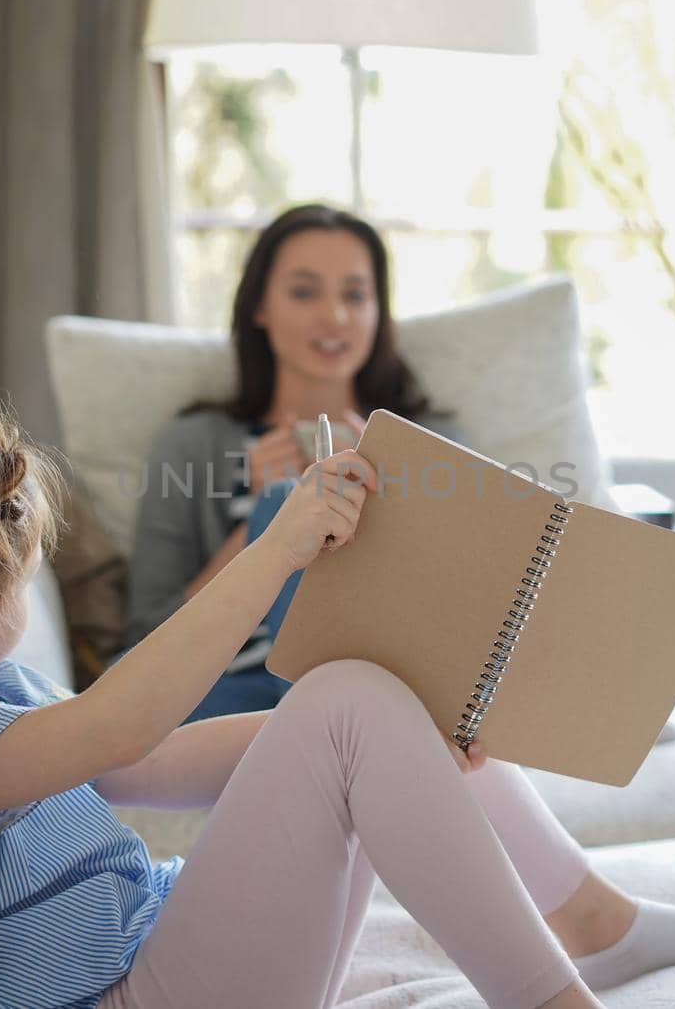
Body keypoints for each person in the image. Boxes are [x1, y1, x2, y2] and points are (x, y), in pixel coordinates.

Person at [0, 361, 675, 1009]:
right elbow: (116, 727)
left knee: (369, 693)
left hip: (166, 949)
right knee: (348, 700)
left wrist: (408, 750)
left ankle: (587, 916)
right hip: (125, 991)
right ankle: (567, 970)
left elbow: (148, 763)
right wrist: (276, 547)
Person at [126, 204, 457, 722]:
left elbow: (459, 615)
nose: (335, 317)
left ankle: (349, 725)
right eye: (304, 292)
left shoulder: (429, 447)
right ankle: (349, 730)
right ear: (260, 306)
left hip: (385, 686)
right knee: (287, 502)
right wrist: (270, 523)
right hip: (229, 691)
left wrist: (397, 493)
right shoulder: (191, 444)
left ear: (378, 312)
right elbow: (146, 638)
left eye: (355, 295)